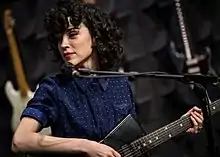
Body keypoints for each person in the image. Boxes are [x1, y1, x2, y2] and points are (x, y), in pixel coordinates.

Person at [11, 0, 203, 156]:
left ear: (94, 36)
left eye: (72, 35)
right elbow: (20, 141)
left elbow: (134, 147)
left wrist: (180, 126)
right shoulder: (53, 88)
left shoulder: (120, 83)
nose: (63, 44)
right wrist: (86, 146)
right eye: (59, 38)